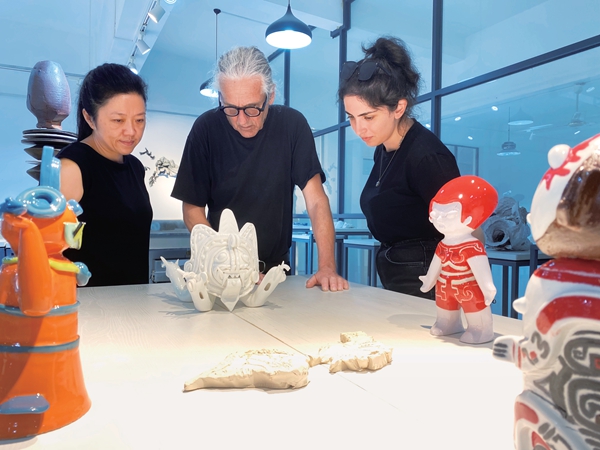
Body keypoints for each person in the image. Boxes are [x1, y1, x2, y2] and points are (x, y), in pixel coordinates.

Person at [171, 46, 348, 292]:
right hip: (217, 270)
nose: (242, 120)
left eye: (252, 108)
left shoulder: (292, 126)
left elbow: (316, 201)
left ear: (270, 95)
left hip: (275, 269)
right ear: (220, 98)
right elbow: (192, 210)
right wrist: (229, 263)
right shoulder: (206, 129)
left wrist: (327, 266)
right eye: (230, 109)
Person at [338, 36, 460, 299]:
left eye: (369, 117)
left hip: (429, 280)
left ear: (399, 108)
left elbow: (466, 230)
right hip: (398, 275)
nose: (359, 128)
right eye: (352, 118)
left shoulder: (427, 156)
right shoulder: (384, 149)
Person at [57, 63, 153, 286]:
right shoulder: (73, 167)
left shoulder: (135, 167)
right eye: (118, 120)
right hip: (89, 301)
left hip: (133, 299)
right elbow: (51, 248)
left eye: (139, 120)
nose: (131, 131)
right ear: (89, 118)